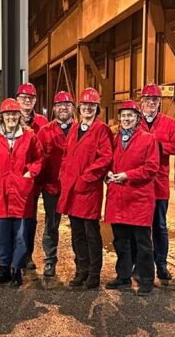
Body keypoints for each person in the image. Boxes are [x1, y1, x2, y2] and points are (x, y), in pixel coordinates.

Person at [0, 98, 43, 287]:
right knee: (0, 234)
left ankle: (17, 269)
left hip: (21, 192)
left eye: (14, 114)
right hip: (0, 191)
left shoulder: (29, 137)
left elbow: (39, 158)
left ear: (19, 116)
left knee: (20, 235)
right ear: (2, 116)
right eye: (7, 114)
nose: (11, 117)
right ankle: (4, 266)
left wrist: (30, 172)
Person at [57, 87, 113, 289]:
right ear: (79, 107)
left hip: (89, 190)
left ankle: (94, 273)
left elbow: (105, 157)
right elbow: (67, 155)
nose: (87, 108)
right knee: (77, 232)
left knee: (91, 233)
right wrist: (64, 175)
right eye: (85, 105)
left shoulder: (101, 129)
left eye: (92, 105)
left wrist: (87, 177)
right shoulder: (74, 129)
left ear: (97, 108)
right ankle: (81, 270)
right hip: (72, 188)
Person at [104, 101, 160, 296]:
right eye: (124, 115)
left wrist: (127, 175)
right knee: (121, 240)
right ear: (119, 118)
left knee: (143, 242)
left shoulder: (148, 139)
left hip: (139, 198)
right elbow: (106, 160)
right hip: (118, 197)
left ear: (138, 119)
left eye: (130, 115)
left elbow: (151, 168)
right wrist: (107, 173)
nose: (126, 119)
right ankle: (123, 276)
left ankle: (146, 279)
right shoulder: (114, 139)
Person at [137, 83, 175, 282]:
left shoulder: (169, 123)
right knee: (139, 227)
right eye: (148, 100)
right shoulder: (134, 120)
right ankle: (139, 264)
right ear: (141, 102)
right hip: (138, 184)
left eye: (155, 100)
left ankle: (161, 264)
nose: (151, 103)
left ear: (159, 102)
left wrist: (156, 146)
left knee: (160, 226)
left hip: (159, 184)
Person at [34, 91, 75, 277]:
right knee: (51, 225)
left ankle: (81, 264)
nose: (63, 108)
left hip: (75, 187)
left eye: (67, 105)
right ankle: (50, 260)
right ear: (54, 109)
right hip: (52, 186)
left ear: (72, 108)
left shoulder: (80, 129)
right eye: (59, 105)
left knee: (78, 228)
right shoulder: (45, 131)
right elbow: (38, 158)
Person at [16, 82, 48, 270]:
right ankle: (14, 253)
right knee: (14, 218)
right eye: (23, 97)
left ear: (35, 100)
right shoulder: (10, 118)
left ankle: (28, 255)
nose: (27, 100)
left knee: (30, 219)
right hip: (16, 178)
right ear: (18, 99)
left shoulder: (42, 122)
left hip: (36, 178)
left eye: (30, 98)